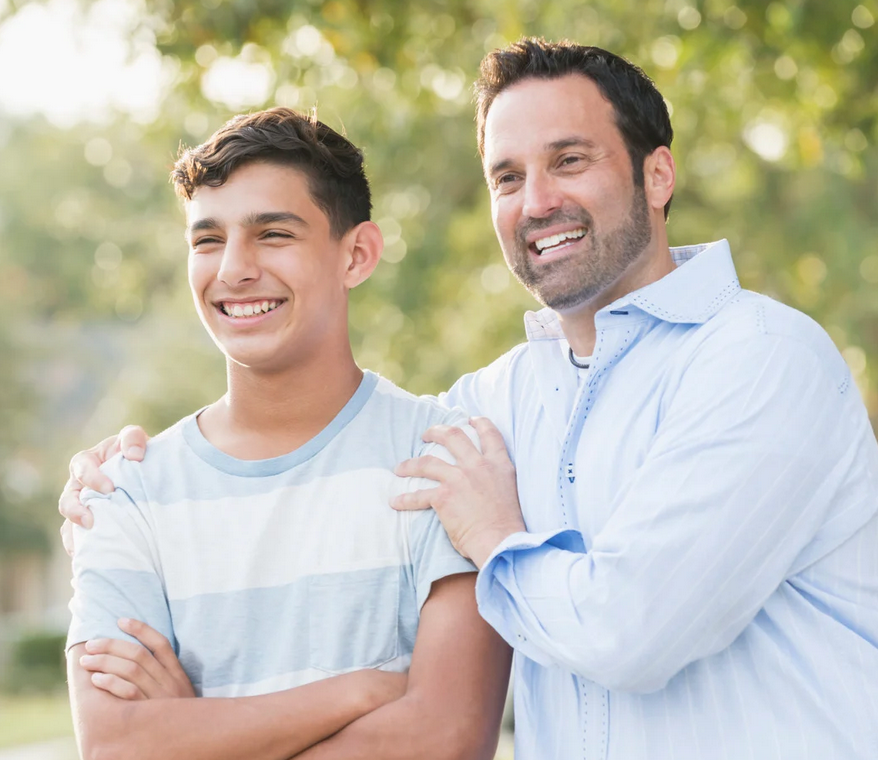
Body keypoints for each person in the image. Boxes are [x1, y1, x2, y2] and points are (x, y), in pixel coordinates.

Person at [61, 39, 878, 760]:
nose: (536, 202)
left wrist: (496, 536)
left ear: (656, 174)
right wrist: (107, 478)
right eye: (507, 176)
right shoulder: (496, 402)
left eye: (569, 160)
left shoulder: (758, 358)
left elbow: (628, 634)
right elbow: (332, 430)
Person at [64, 107, 510, 760]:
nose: (234, 270)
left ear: (356, 254)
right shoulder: (122, 491)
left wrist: (200, 731)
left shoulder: (442, 461)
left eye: (273, 234)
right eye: (207, 240)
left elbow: (445, 738)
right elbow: (114, 745)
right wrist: (357, 692)